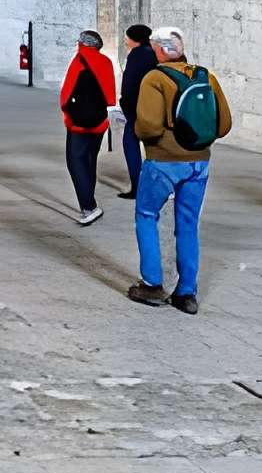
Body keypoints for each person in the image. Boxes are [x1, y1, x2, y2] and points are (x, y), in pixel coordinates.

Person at [127, 26, 232, 313]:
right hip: (199, 163)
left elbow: (148, 126)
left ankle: (152, 284)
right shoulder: (204, 76)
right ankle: (186, 293)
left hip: (163, 162)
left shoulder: (155, 78)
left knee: (146, 215)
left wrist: (137, 131)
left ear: (159, 50)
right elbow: (224, 125)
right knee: (188, 224)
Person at [60, 26, 117, 222]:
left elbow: (66, 94)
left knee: (75, 160)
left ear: (82, 44)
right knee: (90, 159)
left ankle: (88, 206)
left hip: (79, 124)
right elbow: (110, 97)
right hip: (99, 122)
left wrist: (68, 114)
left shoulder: (79, 60)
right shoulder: (106, 62)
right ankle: (89, 199)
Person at [116, 22, 154, 197]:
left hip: (136, 109)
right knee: (152, 147)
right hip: (152, 108)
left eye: (127, 37)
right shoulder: (153, 53)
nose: (125, 40)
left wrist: (124, 104)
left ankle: (137, 187)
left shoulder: (136, 55)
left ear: (135, 39)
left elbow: (129, 83)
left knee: (130, 144)